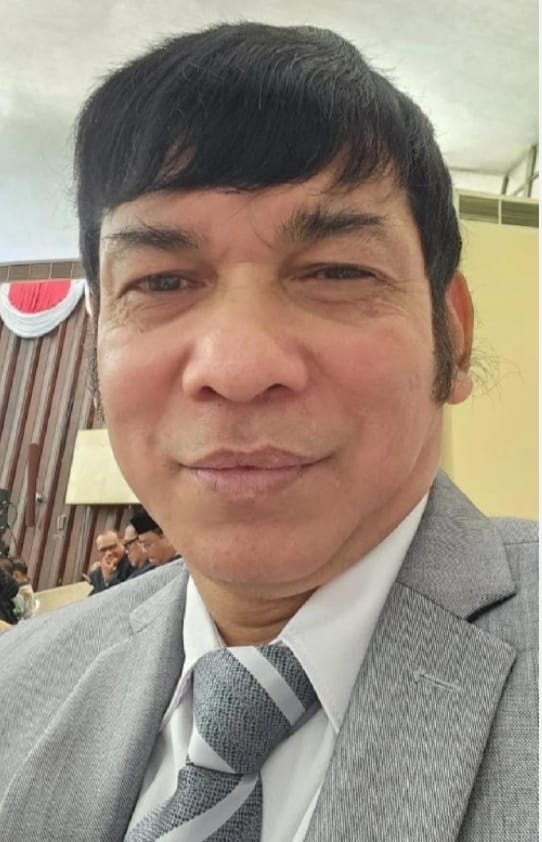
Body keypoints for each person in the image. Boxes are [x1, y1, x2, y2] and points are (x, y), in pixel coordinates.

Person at [0, 23, 536, 842]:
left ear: (451, 336)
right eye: (163, 281)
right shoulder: (18, 684)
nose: (239, 366)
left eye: (337, 271)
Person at [88, 530, 134, 595]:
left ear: (122, 543)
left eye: (112, 547)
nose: (108, 553)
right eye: (103, 550)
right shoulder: (96, 575)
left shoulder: (133, 564)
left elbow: (127, 594)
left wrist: (109, 579)